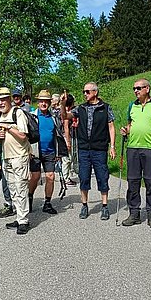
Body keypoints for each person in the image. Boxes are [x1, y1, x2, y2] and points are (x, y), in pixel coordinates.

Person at [60, 83, 116, 221]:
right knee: (84, 177)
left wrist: (112, 146)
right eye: (83, 91)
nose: (85, 94)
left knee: (102, 177)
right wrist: (62, 104)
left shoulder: (106, 107)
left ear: (95, 92)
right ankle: (84, 205)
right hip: (84, 148)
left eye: (87, 91)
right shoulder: (81, 108)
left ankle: (104, 206)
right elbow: (65, 116)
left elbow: (111, 127)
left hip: (100, 148)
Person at [120, 78, 151, 229]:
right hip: (133, 147)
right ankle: (134, 213)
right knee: (133, 181)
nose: (136, 91)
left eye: (139, 88)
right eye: (134, 88)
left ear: (147, 89)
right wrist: (125, 130)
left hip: (150, 148)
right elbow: (130, 125)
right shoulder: (132, 106)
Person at [0, 86, 31, 234]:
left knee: (21, 188)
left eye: (4, 99)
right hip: (7, 157)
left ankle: (23, 221)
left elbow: (23, 136)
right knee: (13, 189)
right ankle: (18, 216)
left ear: (9, 99)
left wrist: (8, 128)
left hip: (20, 156)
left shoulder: (18, 113)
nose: (1, 103)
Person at [28, 89, 66, 215]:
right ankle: (29, 197)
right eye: (41, 101)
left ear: (49, 103)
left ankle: (47, 203)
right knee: (35, 177)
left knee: (50, 177)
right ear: (38, 102)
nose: (43, 104)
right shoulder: (32, 116)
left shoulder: (53, 117)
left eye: (46, 101)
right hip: (35, 151)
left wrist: (59, 153)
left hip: (50, 152)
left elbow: (59, 135)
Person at [60, 92, 77, 186]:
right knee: (67, 159)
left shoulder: (65, 110)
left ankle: (66, 176)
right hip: (66, 137)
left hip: (66, 136)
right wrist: (68, 142)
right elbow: (66, 127)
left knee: (67, 158)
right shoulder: (66, 111)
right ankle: (65, 178)